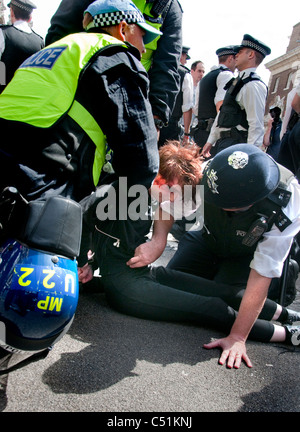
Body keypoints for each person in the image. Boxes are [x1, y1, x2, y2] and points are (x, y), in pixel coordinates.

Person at [78, 141, 300, 369]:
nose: (169, 197)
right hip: (201, 245)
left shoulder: (287, 202)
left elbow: (262, 272)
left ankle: (288, 316)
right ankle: (290, 333)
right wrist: (156, 242)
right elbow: (98, 226)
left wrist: (238, 337)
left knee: (229, 294)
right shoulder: (211, 173)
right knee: (211, 302)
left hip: (247, 255)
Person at [0, 0, 161, 203]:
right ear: (122, 29)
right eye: (142, 35)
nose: (144, 49)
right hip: (41, 187)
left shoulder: (59, 48)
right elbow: (142, 160)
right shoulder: (116, 55)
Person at [45, 0, 183, 138]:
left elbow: (167, 66)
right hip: (75, 93)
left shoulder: (169, 7)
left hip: (130, 103)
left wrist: (155, 120)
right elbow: (59, 34)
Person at [202, 35, 271, 158]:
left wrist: (249, 157)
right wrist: (210, 140)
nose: (236, 55)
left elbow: (256, 125)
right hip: (225, 143)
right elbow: (223, 112)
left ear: (251, 55)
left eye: (240, 52)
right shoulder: (237, 82)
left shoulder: (253, 85)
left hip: (237, 145)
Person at [192, 45, 236, 150]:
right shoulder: (226, 75)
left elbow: (196, 109)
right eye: (236, 58)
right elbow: (220, 106)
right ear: (230, 59)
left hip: (200, 132)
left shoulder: (205, 78)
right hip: (212, 135)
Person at [0, 0, 44, 93]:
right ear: (30, 18)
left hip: (4, 98)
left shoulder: (3, 33)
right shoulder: (40, 41)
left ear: (11, 12)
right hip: (28, 99)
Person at [158, 45, 194, 146]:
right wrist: (186, 133)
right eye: (186, 58)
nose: (186, 62)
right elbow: (187, 107)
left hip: (152, 121)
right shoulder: (184, 73)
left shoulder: (156, 67)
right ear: (181, 55)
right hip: (171, 127)